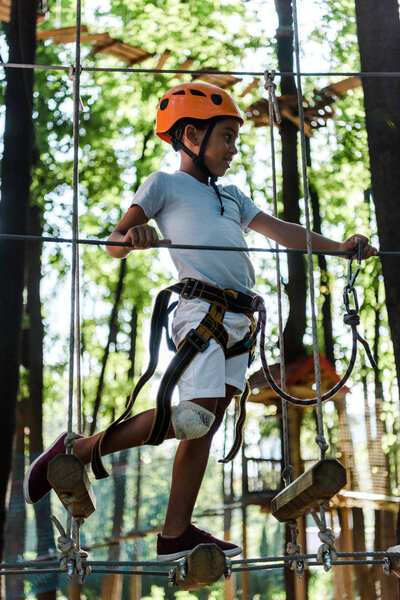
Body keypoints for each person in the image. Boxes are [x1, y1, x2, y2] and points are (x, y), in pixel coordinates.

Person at [24, 82, 377, 562]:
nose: (234, 149)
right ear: (192, 135)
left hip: (239, 324)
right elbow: (112, 240)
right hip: (201, 312)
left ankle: (175, 534)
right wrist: (135, 236)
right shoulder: (164, 185)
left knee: (203, 428)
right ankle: (78, 449)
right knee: (192, 418)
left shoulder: (232, 196)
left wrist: (338, 247)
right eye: (226, 137)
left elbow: (283, 231)